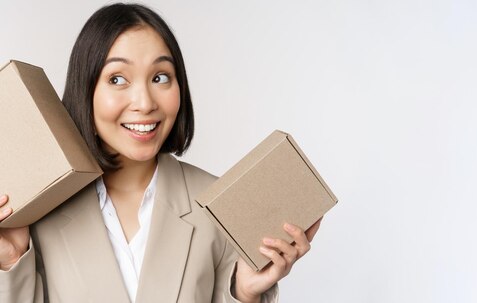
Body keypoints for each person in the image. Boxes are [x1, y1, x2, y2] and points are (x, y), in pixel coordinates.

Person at [0, 3, 321, 303]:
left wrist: (244, 293)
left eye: (160, 77)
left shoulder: (221, 206)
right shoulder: (39, 212)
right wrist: (13, 259)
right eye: (117, 79)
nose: (145, 102)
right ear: (87, 91)